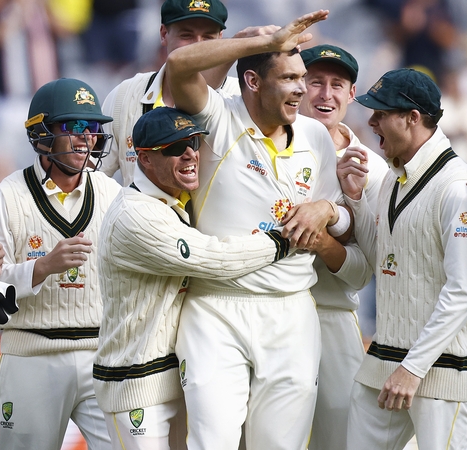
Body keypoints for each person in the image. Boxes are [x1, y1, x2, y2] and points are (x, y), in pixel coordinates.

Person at [164, 10, 350, 450]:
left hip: (292, 312)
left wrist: (324, 209)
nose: (302, 89)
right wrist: (261, 41)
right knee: (214, 442)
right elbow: (178, 66)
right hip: (216, 308)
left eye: (301, 77)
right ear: (252, 81)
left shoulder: (314, 136)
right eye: (288, 78)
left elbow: (340, 212)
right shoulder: (217, 118)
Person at [93, 106, 291, 450]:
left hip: (173, 376)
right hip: (135, 384)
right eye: (173, 147)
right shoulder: (135, 215)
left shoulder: (170, 201)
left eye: (194, 142)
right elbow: (215, 258)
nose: (190, 153)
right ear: (144, 159)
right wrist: (283, 240)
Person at [336, 68, 467, 449]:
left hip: (440, 368)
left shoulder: (460, 189)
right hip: (386, 359)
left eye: (382, 113)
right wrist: (356, 199)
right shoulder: (393, 176)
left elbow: (464, 291)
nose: (371, 121)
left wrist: (413, 368)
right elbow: (383, 260)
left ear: (413, 118)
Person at [0, 77, 121, 449]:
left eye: (91, 127)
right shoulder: (8, 197)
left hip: (100, 354)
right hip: (32, 356)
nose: (85, 137)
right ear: (42, 134)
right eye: (73, 126)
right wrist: (41, 268)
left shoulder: (112, 194)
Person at [298, 44, 389, 450]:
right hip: (263, 307)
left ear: (352, 94)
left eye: (337, 85)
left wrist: (327, 230)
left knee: (340, 435)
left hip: (333, 312)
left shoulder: (374, 168)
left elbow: (364, 271)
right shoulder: (266, 148)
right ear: (297, 86)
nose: (325, 94)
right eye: (315, 82)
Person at [99, 0, 276, 186]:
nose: (198, 46)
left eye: (208, 37)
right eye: (187, 35)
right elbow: (94, 179)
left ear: (222, 40)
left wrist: (311, 205)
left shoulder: (242, 97)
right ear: (163, 34)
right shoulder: (125, 95)